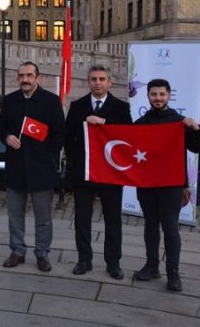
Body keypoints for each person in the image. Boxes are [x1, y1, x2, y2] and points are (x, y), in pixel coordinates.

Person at [133, 78, 200, 292]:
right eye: (154, 94)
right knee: (150, 225)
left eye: (161, 94)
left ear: (168, 96)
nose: (157, 98)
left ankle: (173, 273)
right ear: (147, 96)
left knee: (171, 228)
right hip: (147, 184)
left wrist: (196, 128)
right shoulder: (140, 124)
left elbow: (199, 148)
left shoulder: (180, 122)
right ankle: (151, 266)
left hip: (172, 185)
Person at [65, 65, 132, 279]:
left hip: (111, 174)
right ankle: (84, 259)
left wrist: (104, 122)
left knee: (113, 219)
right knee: (82, 218)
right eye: (93, 79)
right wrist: (74, 162)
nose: (98, 82)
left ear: (109, 82)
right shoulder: (78, 106)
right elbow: (68, 137)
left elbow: (128, 134)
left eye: (102, 79)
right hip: (84, 173)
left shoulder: (121, 107)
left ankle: (113, 262)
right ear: (88, 81)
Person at [0, 61, 65, 272]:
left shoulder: (51, 101)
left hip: (41, 167)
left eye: (29, 75)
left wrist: (50, 157)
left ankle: (42, 253)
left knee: (43, 216)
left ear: (38, 78)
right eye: (21, 76)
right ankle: (17, 250)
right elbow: (1, 128)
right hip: (16, 165)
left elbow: (59, 133)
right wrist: (7, 137)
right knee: (15, 214)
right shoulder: (9, 101)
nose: (25, 79)